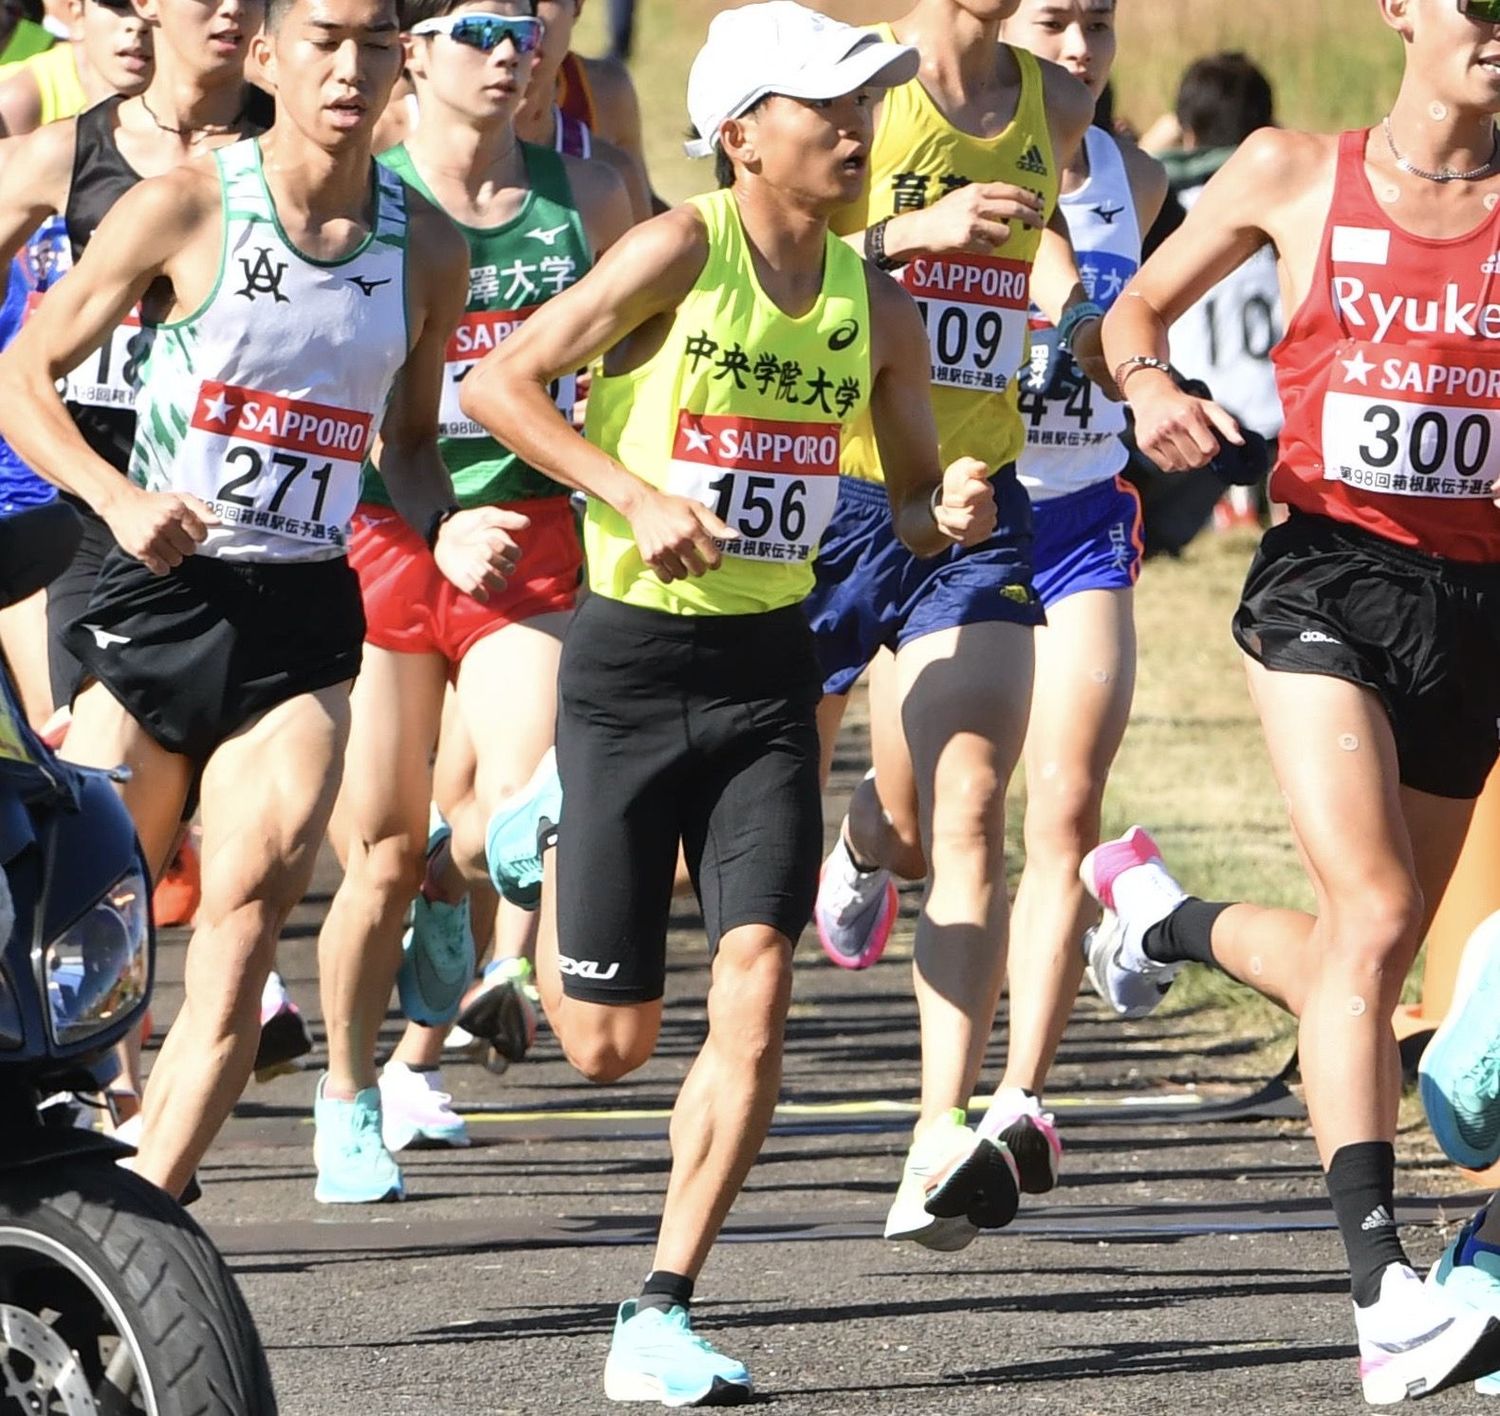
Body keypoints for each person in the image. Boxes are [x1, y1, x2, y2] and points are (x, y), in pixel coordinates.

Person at [463, 4, 999, 1400]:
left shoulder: (876, 304)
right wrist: (633, 492)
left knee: (755, 988)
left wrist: (945, 507)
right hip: (631, 668)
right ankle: (557, 816)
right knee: (605, 1048)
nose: (857, 131)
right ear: (741, 130)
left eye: (867, 110)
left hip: (767, 680)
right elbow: (499, 385)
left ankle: (661, 1306)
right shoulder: (674, 250)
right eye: (830, 109)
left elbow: (912, 499)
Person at [0, 0, 521, 1201]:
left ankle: (144, 1212)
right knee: (80, 924)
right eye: (325, 40)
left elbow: (407, 447)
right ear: (272, 57)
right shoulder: (188, 203)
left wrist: (445, 523)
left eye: (375, 44)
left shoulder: (427, 249)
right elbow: (25, 378)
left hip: (296, 619)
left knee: (240, 928)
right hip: (147, 592)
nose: (351, 68)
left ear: (403, 61)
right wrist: (116, 496)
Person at [1095, 0, 1500, 1401]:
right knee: (1383, 917)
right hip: (1326, 577)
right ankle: (1385, 1292)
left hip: (1476, 606)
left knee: (1359, 954)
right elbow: (1131, 308)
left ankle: (1163, 915)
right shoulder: (1287, 168)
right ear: (1401, 10)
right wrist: (1150, 389)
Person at [804, 0, 1109, 1250]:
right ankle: (862, 840)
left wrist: (1079, 317)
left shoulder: (1057, 100)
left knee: (977, 803)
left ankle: (939, 1133)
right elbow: (769, 249)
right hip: (816, 492)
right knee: (863, 811)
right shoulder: (853, 81)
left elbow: (1037, 245)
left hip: (971, 500)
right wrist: (909, 231)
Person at [312, 0, 629, 1201]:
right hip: (381, 536)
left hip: (531, 542)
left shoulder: (587, 200)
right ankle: (346, 1100)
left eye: (525, 29)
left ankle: (460, 887)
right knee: (379, 857)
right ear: (417, 48)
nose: (512, 52)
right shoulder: (363, 198)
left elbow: (663, 347)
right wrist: (432, 522)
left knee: (523, 808)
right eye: (480, 29)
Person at [958, 0, 1163, 1195]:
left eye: (1099, 22)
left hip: (1086, 514)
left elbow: (1158, 322)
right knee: (940, 815)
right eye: (1055, 21)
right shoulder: (957, 163)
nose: (1080, 46)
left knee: (1065, 814)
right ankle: (866, 844)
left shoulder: (1133, 174)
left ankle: (1020, 1096)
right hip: (966, 519)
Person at [0, 0, 150, 135]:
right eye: (116, 2)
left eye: (154, 5)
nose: (138, 24)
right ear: (77, 14)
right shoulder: (12, 100)